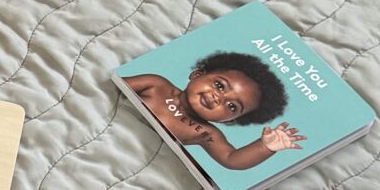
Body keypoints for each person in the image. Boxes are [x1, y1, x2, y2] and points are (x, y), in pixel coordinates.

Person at [121, 49, 305, 172]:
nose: (219, 98)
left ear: (229, 120)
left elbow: (231, 159)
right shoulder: (156, 85)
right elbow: (114, 88)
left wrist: (265, 147)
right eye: (219, 85)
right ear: (197, 75)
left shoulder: (206, 133)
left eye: (232, 106)